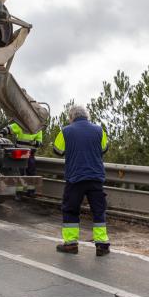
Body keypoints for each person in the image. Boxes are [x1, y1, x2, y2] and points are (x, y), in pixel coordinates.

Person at [52, 105, 110, 256]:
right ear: (87, 116)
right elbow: (104, 149)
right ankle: (102, 245)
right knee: (98, 211)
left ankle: (71, 244)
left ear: (71, 117)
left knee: (71, 210)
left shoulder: (66, 131)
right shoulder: (99, 130)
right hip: (95, 177)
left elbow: (57, 151)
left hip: (75, 178)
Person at [7, 120, 43, 197]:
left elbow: (39, 142)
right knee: (20, 173)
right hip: (19, 153)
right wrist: (2, 132)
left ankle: (31, 192)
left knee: (31, 173)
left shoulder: (38, 128)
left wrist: (34, 143)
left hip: (30, 154)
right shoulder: (20, 124)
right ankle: (19, 193)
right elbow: (9, 128)